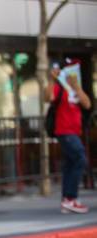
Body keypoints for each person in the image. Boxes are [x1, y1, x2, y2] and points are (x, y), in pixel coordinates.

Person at [47, 60, 92, 214]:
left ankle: (67, 199)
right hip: (64, 131)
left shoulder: (74, 89)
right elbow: (47, 98)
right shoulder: (59, 88)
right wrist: (51, 80)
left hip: (74, 132)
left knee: (70, 164)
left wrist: (76, 87)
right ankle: (70, 198)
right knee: (80, 158)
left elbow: (87, 104)